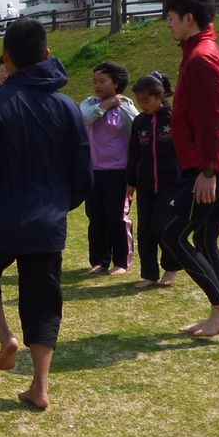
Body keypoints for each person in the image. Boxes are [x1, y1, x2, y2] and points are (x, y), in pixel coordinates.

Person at [0, 18, 92, 411]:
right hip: (47, 222)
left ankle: (5, 337)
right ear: (47, 54)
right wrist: (60, 205)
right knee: (43, 300)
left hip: (0, 218)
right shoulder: (68, 108)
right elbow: (84, 172)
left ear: (7, 57)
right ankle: (40, 386)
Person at [160, 0, 219, 338]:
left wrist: (209, 170)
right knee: (206, 237)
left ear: (188, 18)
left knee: (173, 235)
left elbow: (215, 118)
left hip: (214, 164)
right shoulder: (203, 51)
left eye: (170, 17)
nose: (168, 24)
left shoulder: (203, 57)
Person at [80, 61, 138, 276]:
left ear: (116, 83)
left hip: (119, 172)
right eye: (95, 81)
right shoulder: (89, 103)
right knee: (95, 217)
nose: (97, 85)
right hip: (94, 171)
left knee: (117, 217)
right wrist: (105, 105)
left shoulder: (125, 106)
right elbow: (84, 118)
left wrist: (133, 174)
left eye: (102, 81)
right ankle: (99, 260)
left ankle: (121, 261)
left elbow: (137, 130)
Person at [126, 72, 181, 290]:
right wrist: (130, 182)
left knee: (162, 225)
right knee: (145, 230)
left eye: (146, 100)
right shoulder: (139, 122)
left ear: (160, 96)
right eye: (139, 101)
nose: (143, 105)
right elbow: (133, 154)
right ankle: (149, 274)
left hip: (172, 185)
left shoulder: (174, 118)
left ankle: (171, 266)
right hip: (146, 185)